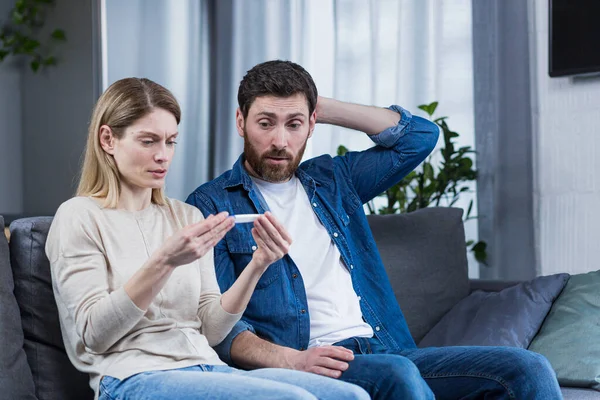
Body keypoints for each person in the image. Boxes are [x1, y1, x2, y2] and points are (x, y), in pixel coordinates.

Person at [186, 60, 563, 399]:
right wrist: (294, 360)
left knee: (527, 368)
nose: (280, 141)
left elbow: (419, 138)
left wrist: (319, 104)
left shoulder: (334, 179)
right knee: (399, 374)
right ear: (241, 122)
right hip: (309, 363)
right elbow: (220, 327)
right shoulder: (210, 204)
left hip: (385, 349)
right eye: (265, 123)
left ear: (312, 123)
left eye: (295, 124)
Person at [45, 77, 370, 400]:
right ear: (108, 139)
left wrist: (258, 264)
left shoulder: (185, 217)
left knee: (350, 396)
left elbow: (212, 329)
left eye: (170, 141)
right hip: (131, 377)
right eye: (148, 141)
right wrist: (164, 262)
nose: (163, 156)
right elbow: (92, 335)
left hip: (205, 366)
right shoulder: (79, 216)